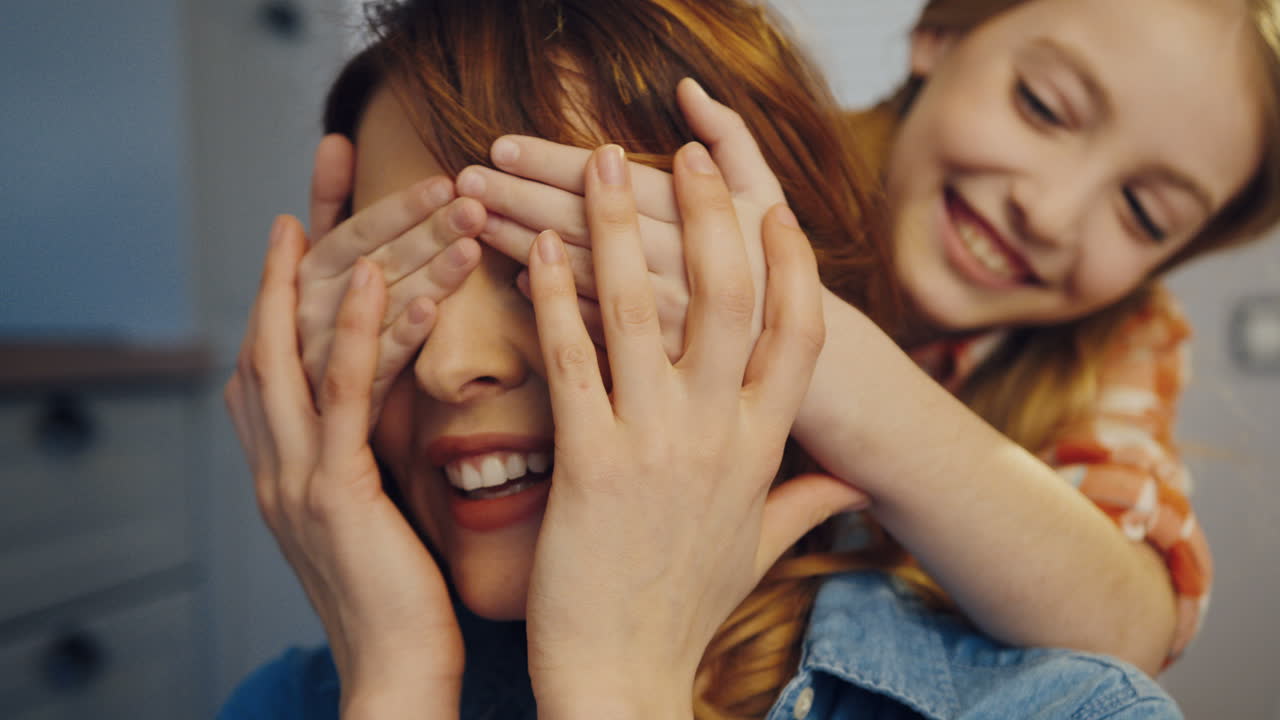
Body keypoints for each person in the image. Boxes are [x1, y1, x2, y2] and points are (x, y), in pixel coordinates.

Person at [218, 0, 1278, 717]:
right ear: (940, 32)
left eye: (1141, 211)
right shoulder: (740, 142)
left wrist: (810, 347)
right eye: (1041, 107)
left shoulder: (1112, 344)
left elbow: (1129, 615)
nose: (1046, 208)